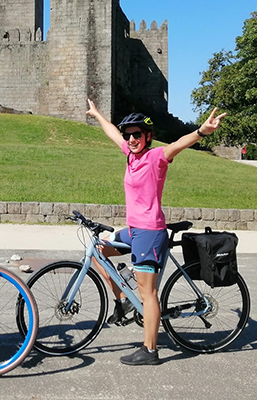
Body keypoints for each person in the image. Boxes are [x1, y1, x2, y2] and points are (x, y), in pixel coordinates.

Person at [85, 99, 226, 365]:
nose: (131, 139)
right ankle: (123, 299)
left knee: (147, 293)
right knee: (98, 252)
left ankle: (150, 350)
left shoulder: (155, 157)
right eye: (129, 136)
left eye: (137, 135)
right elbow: (113, 133)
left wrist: (201, 132)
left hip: (150, 232)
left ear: (148, 137)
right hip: (134, 230)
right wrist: (97, 114)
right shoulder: (130, 156)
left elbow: (178, 145)